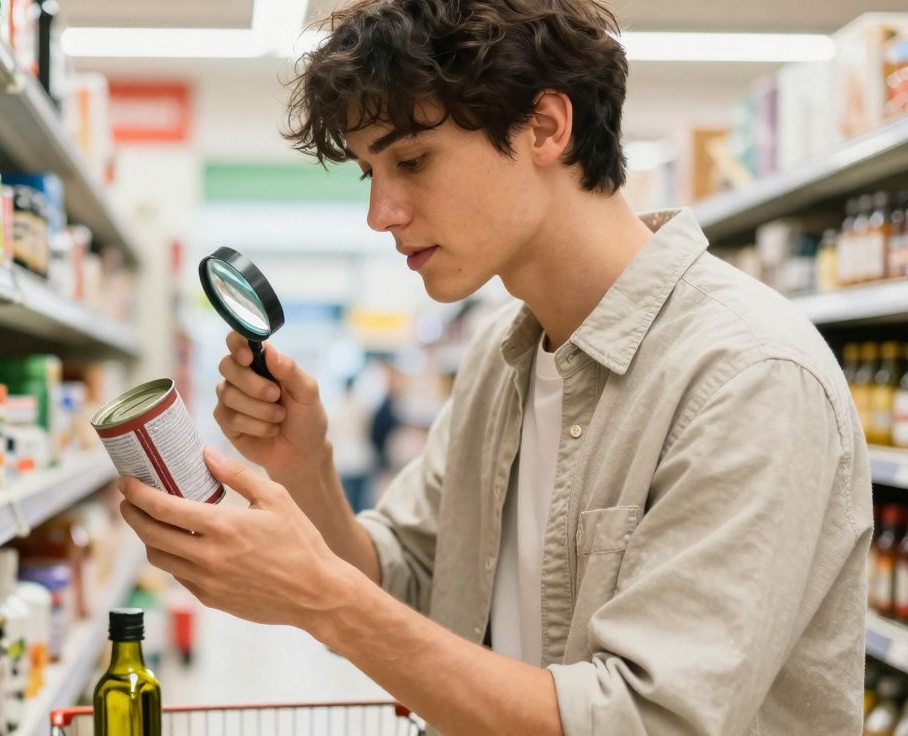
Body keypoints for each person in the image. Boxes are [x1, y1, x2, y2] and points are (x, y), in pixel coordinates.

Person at [115, 1, 872, 733]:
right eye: (369, 174)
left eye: (411, 159)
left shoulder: (747, 377)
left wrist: (321, 601)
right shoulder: (500, 361)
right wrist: (306, 466)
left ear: (545, 126)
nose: (381, 213)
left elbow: (641, 722)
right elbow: (405, 580)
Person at [331, 375, 376, 512]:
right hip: (360, 457)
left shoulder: (336, 407)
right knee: (360, 501)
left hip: (345, 459)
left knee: (346, 500)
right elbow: (367, 430)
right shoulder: (362, 406)